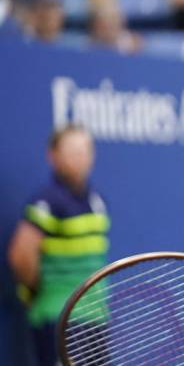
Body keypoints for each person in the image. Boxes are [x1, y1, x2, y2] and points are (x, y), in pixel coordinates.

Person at [7, 125, 110, 366]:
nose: (80, 158)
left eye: (85, 150)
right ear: (53, 155)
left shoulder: (97, 201)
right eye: (72, 151)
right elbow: (21, 256)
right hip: (59, 317)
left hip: (95, 318)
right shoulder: (47, 202)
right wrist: (38, 292)